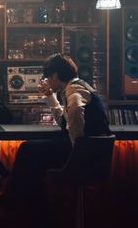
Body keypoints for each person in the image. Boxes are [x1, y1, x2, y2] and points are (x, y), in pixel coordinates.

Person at [6, 53, 111, 198]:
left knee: (27, 150)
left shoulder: (74, 90)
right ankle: (34, 206)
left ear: (55, 76)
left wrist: (76, 144)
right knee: (34, 159)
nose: (47, 81)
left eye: (48, 77)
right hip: (92, 153)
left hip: (84, 157)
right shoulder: (77, 86)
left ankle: (17, 200)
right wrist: (50, 95)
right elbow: (64, 122)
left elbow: (75, 110)